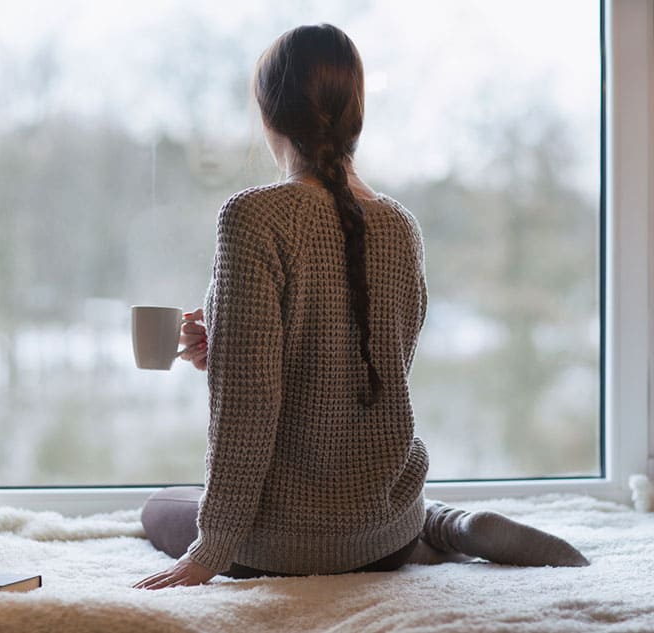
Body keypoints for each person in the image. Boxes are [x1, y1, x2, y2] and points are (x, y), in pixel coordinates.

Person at [133, 24, 588, 590]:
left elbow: (247, 409)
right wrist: (228, 344)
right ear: (356, 114)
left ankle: (438, 522)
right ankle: (442, 523)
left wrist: (210, 550)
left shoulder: (252, 217)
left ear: (269, 113)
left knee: (158, 507)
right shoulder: (401, 226)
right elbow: (369, 376)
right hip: (385, 536)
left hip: (284, 544)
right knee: (385, 510)